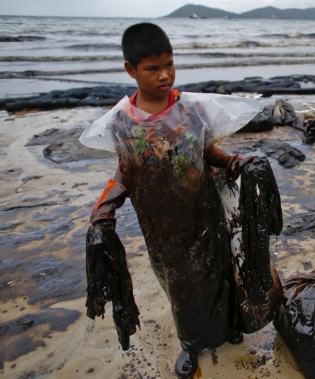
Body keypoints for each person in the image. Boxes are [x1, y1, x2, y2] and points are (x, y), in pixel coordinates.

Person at [79, 23, 262, 378]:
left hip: (203, 213)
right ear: (131, 70)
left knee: (220, 271)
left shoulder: (190, 110)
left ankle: (229, 326)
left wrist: (233, 162)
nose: (164, 75)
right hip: (162, 228)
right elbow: (125, 172)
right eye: (152, 68)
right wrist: (105, 208)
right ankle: (192, 344)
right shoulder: (122, 122)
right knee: (181, 286)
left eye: (170, 65)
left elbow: (207, 152)